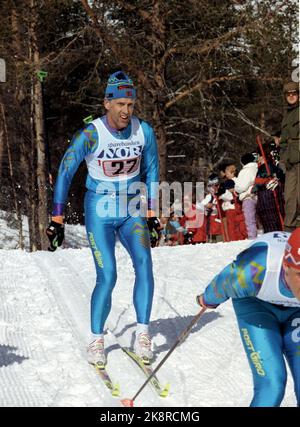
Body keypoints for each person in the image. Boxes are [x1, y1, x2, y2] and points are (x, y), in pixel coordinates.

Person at [46, 71, 159, 366]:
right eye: (120, 103)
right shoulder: (91, 134)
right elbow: (65, 171)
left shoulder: (143, 131)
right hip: (100, 208)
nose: (126, 111)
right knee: (108, 274)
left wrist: (152, 213)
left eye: (130, 105)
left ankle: (143, 333)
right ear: (106, 103)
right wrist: (57, 219)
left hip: (132, 207)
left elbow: (153, 171)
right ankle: (96, 339)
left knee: (145, 263)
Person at [196, 228, 300, 407]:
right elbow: (221, 285)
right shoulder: (255, 269)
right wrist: (206, 300)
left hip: (296, 312)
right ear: (286, 265)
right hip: (256, 304)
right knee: (272, 385)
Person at [280, 81, 300, 231]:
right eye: (289, 94)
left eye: (294, 93)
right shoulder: (287, 114)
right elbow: (284, 140)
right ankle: (289, 229)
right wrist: (283, 155)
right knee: (289, 197)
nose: (292, 96)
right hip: (290, 160)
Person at [234, 153, 258, 239]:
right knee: (259, 219)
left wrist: (236, 188)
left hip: (248, 197)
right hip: (258, 195)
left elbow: (241, 186)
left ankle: (252, 237)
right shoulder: (257, 168)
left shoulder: (245, 171)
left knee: (250, 220)